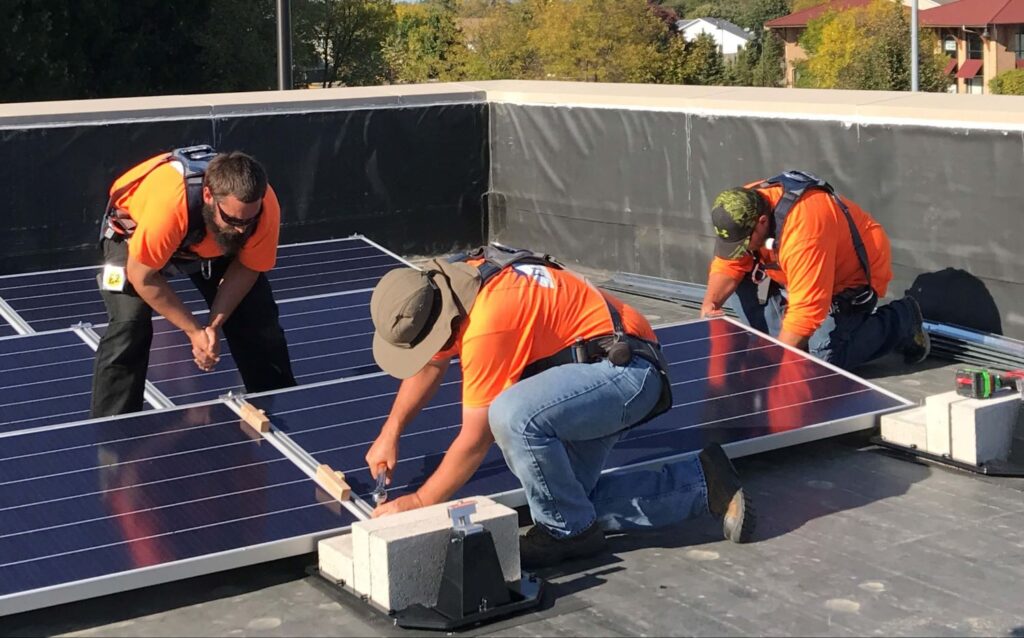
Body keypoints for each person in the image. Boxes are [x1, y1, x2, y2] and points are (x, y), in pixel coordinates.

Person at [365, 244, 756, 569]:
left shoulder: (489, 321)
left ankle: (565, 535)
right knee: (568, 502)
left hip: (626, 373)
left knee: (511, 415)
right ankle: (705, 483)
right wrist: (390, 433)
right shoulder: (451, 285)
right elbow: (433, 360)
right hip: (594, 371)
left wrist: (418, 503)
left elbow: (475, 438)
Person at [90, 145, 296, 418]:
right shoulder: (170, 208)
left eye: (249, 220)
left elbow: (248, 268)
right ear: (209, 196)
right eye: (233, 219)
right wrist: (193, 331)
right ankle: (113, 429)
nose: (241, 229)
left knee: (257, 317)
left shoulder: (263, 207)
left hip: (204, 242)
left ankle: (281, 404)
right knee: (130, 324)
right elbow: (144, 277)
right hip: (135, 236)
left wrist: (213, 325)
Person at [700, 170, 930, 371]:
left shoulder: (804, 231)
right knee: (742, 289)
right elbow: (728, 263)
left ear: (761, 222)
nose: (741, 249)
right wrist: (710, 304)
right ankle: (776, 340)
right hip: (801, 271)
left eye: (744, 242)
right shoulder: (742, 205)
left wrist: (775, 368)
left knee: (821, 360)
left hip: (850, 278)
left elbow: (807, 310)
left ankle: (902, 319)